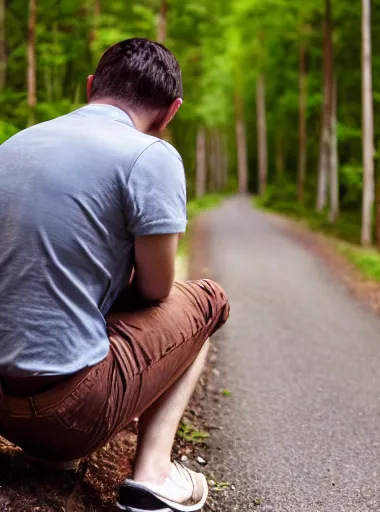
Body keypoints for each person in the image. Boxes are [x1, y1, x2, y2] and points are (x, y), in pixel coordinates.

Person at [0, 38, 229, 512]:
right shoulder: (151, 155)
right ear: (171, 112)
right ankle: (154, 474)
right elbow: (156, 290)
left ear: (90, 87)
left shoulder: (14, 145)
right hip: (69, 414)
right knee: (207, 302)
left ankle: (51, 453)